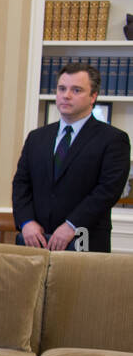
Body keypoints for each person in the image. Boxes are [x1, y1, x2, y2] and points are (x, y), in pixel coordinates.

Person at [12, 62, 130, 253]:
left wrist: (72, 225)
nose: (66, 95)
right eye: (62, 88)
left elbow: (108, 190)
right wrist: (26, 222)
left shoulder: (113, 139)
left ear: (93, 96)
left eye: (76, 90)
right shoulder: (37, 137)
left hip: (85, 241)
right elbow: (21, 184)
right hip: (36, 241)